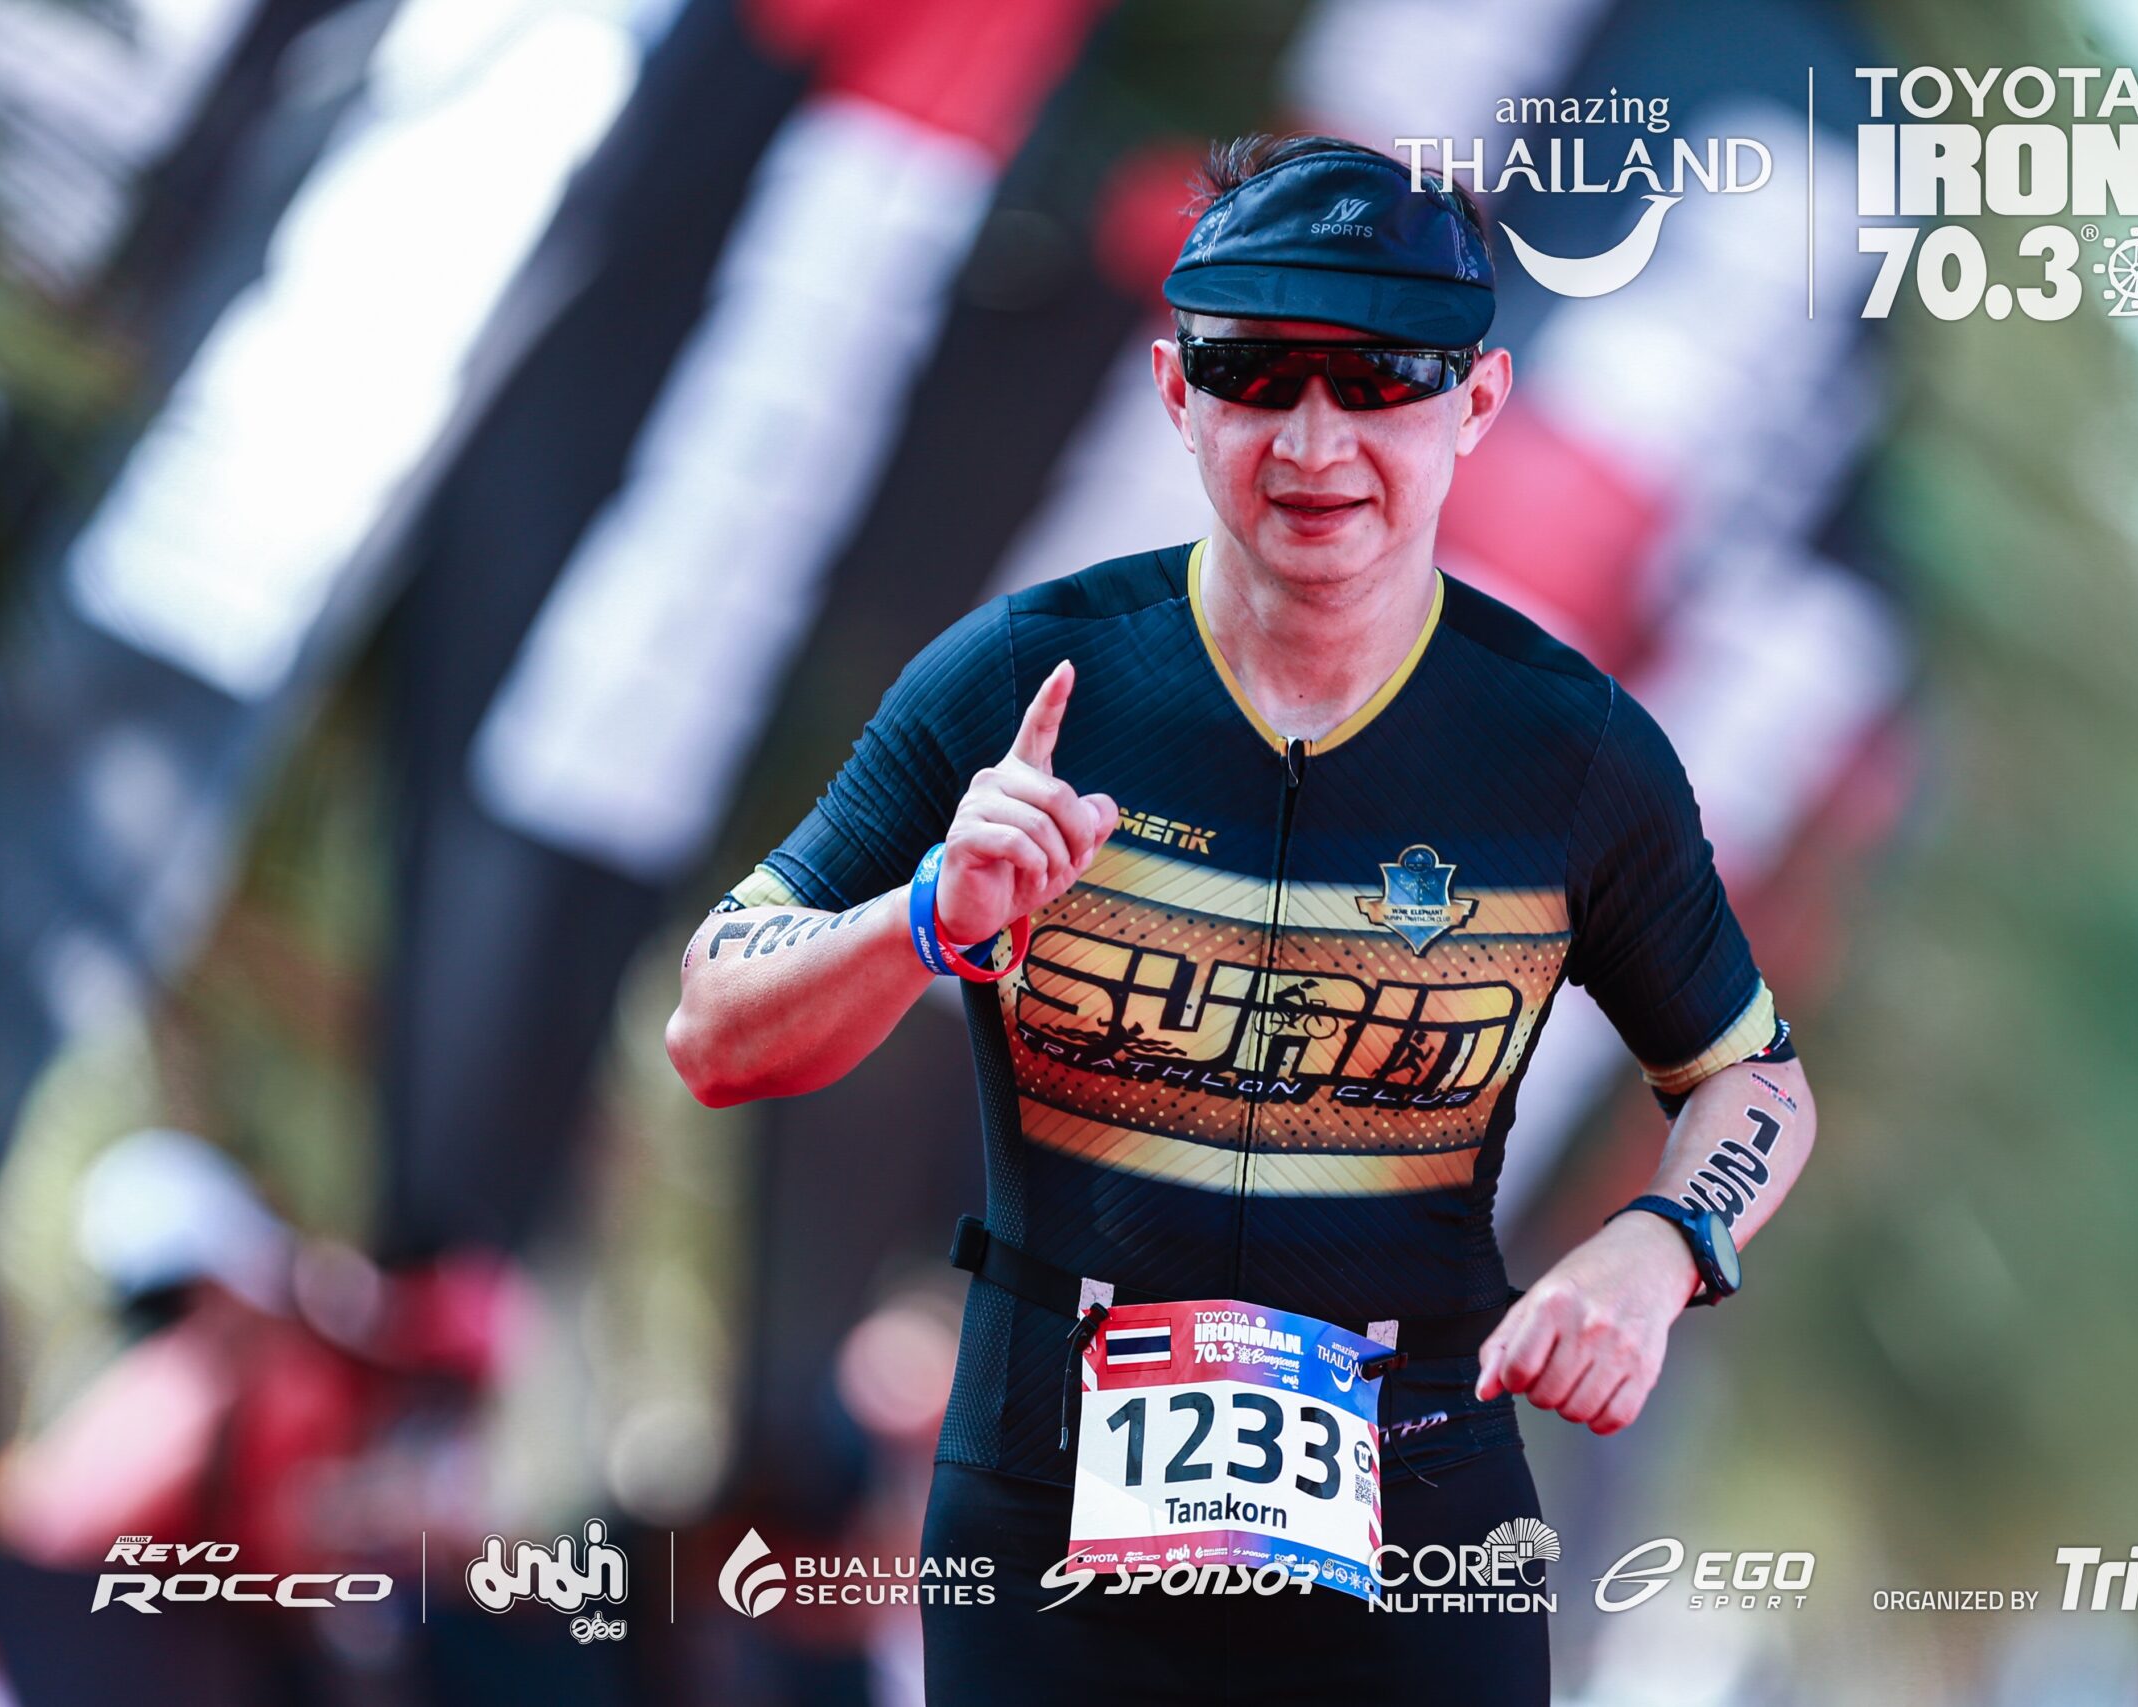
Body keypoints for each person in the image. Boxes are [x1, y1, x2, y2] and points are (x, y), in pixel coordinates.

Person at [665, 131, 1818, 1706]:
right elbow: (713, 1025)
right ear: (1176, 390)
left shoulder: (1574, 754)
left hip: (1421, 1518)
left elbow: (1753, 1077)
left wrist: (1666, 1243)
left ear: (1477, 402)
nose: (1314, 439)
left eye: (1381, 378)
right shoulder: (1018, 683)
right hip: (1044, 1503)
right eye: (1255, 374)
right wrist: (923, 917)